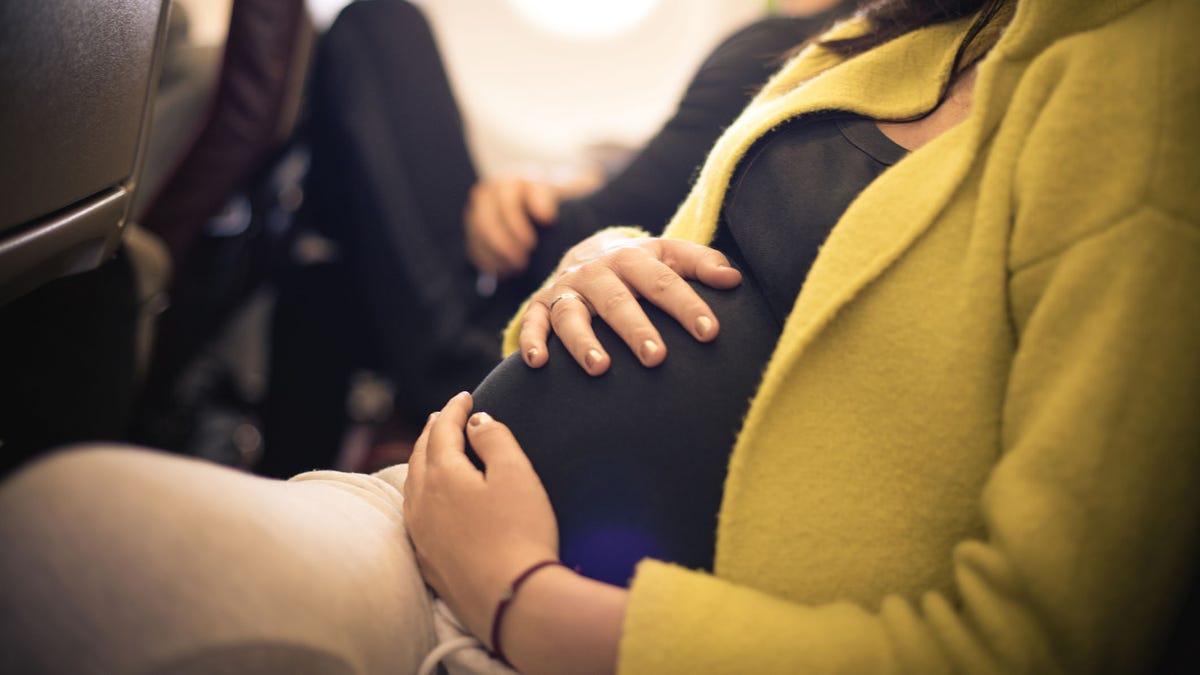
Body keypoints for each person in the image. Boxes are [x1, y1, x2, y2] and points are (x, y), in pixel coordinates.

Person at [2, 0, 1197, 673]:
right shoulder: (898, 37)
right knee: (70, 540)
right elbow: (696, 262)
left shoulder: (1142, 78)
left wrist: (527, 598)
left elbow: (1038, 647)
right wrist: (589, 253)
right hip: (446, 507)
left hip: (577, 620)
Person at [261, 0, 853, 476]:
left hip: (529, 358)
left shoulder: (798, 47)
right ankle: (283, 490)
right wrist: (556, 187)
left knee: (380, 26)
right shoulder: (810, 50)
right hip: (587, 341)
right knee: (323, 290)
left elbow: (600, 228)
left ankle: (445, 384)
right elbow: (665, 185)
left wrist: (535, 208)